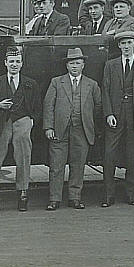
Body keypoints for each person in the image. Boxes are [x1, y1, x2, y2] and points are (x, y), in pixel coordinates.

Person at [0, 46, 41, 214]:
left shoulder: (30, 83)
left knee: (23, 159)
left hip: (22, 122)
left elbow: (37, 108)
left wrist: (30, 121)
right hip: (0, 124)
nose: (14, 64)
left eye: (18, 62)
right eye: (11, 61)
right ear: (5, 63)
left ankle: (23, 195)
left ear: (22, 64)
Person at [43, 48, 103, 211]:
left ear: (83, 65)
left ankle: (74, 197)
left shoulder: (91, 84)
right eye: (71, 63)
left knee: (78, 165)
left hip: (81, 131)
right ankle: (54, 199)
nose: (74, 66)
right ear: (66, 65)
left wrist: (89, 122)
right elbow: (48, 105)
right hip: (59, 130)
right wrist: (49, 127)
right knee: (56, 165)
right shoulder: (56, 82)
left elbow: (98, 106)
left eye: (77, 63)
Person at [101, 31, 134, 206]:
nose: (126, 46)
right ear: (119, 46)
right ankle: (109, 194)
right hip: (115, 114)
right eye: (123, 44)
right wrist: (108, 113)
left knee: (132, 156)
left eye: (129, 42)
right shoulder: (110, 65)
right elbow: (105, 91)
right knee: (109, 155)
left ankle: (131, 193)